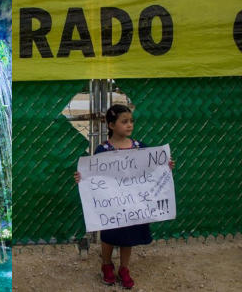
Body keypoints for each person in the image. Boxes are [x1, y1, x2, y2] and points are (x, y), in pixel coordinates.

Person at [74, 104, 175, 289]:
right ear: (111, 125)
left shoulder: (140, 147)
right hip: (112, 206)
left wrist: (165, 167)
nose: (129, 125)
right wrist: (83, 177)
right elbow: (94, 175)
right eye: (124, 121)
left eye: (131, 121)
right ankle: (106, 264)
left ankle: (124, 268)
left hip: (134, 206)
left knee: (129, 238)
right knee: (109, 235)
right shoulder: (102, 150)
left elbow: (152, 168)